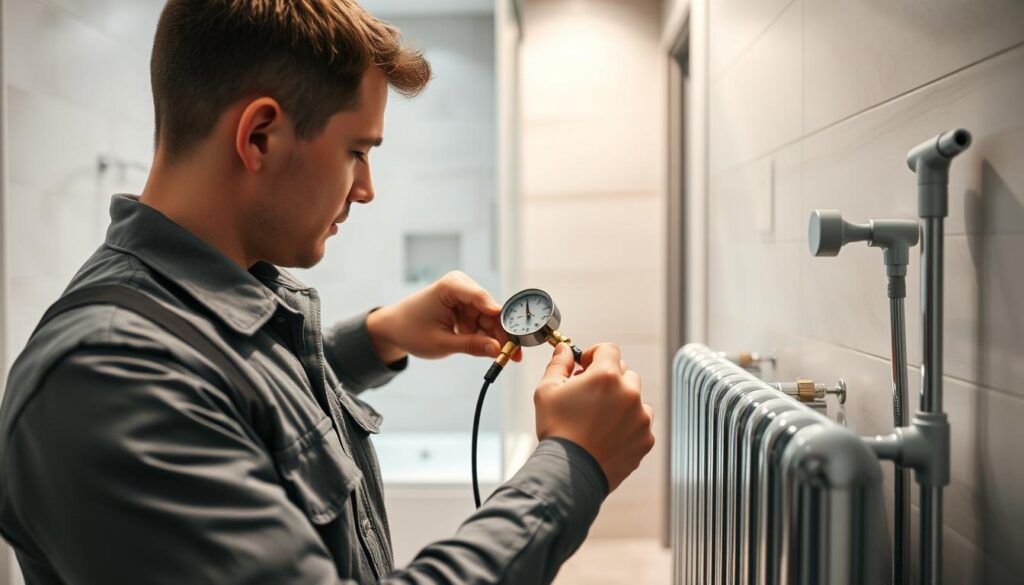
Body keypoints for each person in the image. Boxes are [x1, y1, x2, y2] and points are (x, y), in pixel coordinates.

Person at [0, 1, 655, 583]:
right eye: (357, 151)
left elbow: (238, 399)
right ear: (260, 135)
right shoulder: (109, 382)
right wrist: (570, 467)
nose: (366, 188)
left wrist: (380, 336)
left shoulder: (212, 297)